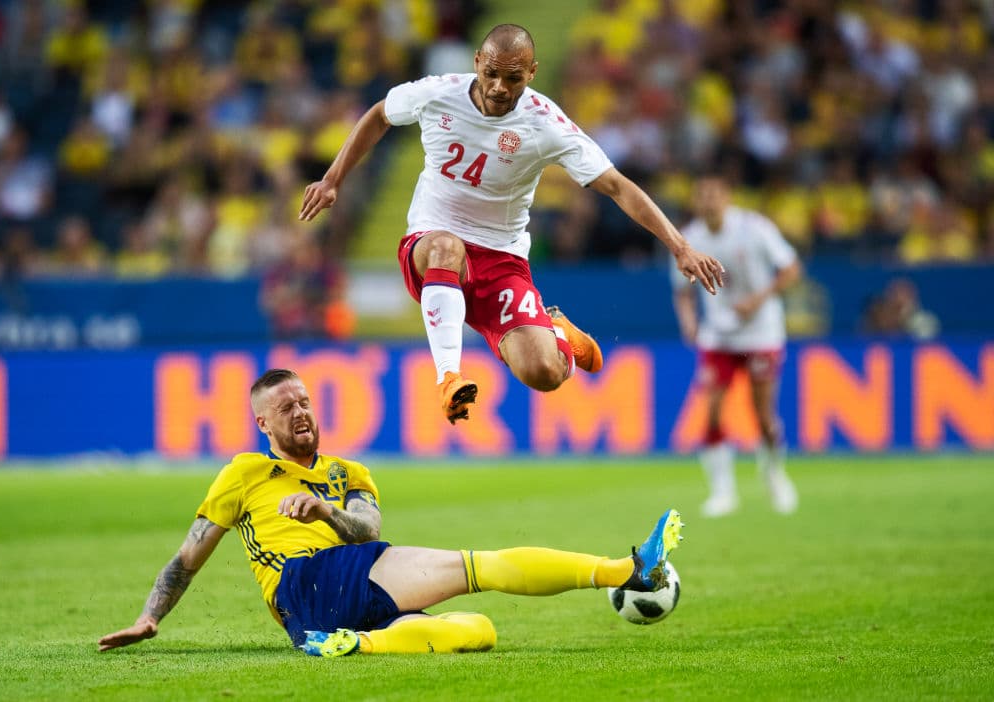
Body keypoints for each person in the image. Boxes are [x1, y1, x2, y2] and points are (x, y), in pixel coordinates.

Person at [299, 23, 724, 424]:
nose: (499, 87)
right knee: (446, 246)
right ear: (477, 61)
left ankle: (557, 333)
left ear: (532, 73)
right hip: (431, 244)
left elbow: (616, 185)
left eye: (514, 78)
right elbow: (380, 114)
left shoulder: (545, 124)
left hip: (501, 258)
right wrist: (333, 179)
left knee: (545, 373)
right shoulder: (437, 93)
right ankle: (449, 378)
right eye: (491, 74)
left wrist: (680, 246)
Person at [98, 368, 684, 657]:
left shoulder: (349, 474)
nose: (300, 412)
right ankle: (626, 570)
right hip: (301, 583)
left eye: (305, 401)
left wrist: (325, 512)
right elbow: (186, 559)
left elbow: (367, 530)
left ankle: (355, 644)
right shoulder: (243, 472)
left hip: (327, 607)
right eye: (285, 407)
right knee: (476, 566)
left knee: (479, 633)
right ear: (263, 423)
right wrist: (150, 618)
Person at [671, 176, 801, 518]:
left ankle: (774, 474)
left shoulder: (754, 228)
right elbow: (681, 291)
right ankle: (722, 492)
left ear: (727, 198)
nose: (708, 201)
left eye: (714, 195)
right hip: (720, 335)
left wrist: (758, 300)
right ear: (696, 202)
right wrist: (688, 322)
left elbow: (791, 269)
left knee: (763, 417)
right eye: (702, 196)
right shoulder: (690, 238)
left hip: (761, 332)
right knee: (712, 412)